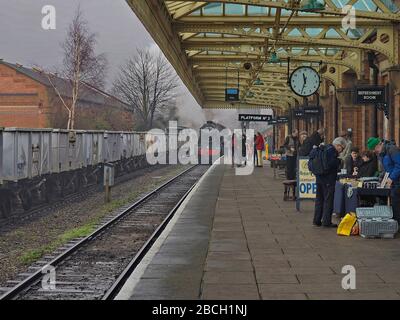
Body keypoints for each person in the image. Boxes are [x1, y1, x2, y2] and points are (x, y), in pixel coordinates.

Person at [311, 137, 347, 227]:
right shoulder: (332, 151)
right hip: (328, 179)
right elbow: (330, 164)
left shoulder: (324, 148)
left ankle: (316, 220)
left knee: (319, 199)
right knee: (328, 200)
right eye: (342, 148)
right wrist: (339, 161)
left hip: (319, 177)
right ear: (338, 145)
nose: (341, 151)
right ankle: (326, 222)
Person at [367, 137, 400, 222]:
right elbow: (385, 169)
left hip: (397, 181)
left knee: (396, 204)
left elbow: (399, 164)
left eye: (374, 149)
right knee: (393, 203)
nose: (374, 151)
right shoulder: (381, 154)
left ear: (379, 145)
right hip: (392, 182)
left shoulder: (392, 149)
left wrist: (391, 178)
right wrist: (381, 178)